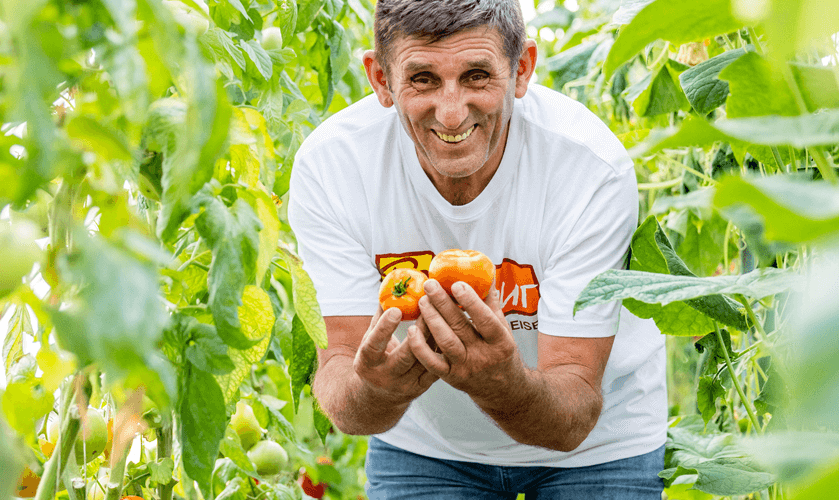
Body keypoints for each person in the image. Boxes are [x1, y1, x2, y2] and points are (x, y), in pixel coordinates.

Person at [286, 0, 668, 497]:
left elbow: (572, 413)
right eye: (422, 78)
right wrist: (374, 390)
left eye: (476, 76)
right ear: (380, 79)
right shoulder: (334, 167)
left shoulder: (587, 169)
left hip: (598, 450)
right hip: (426, 451)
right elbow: (341, 375)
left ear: (522, 70)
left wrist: (499, 382)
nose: (450, 112)